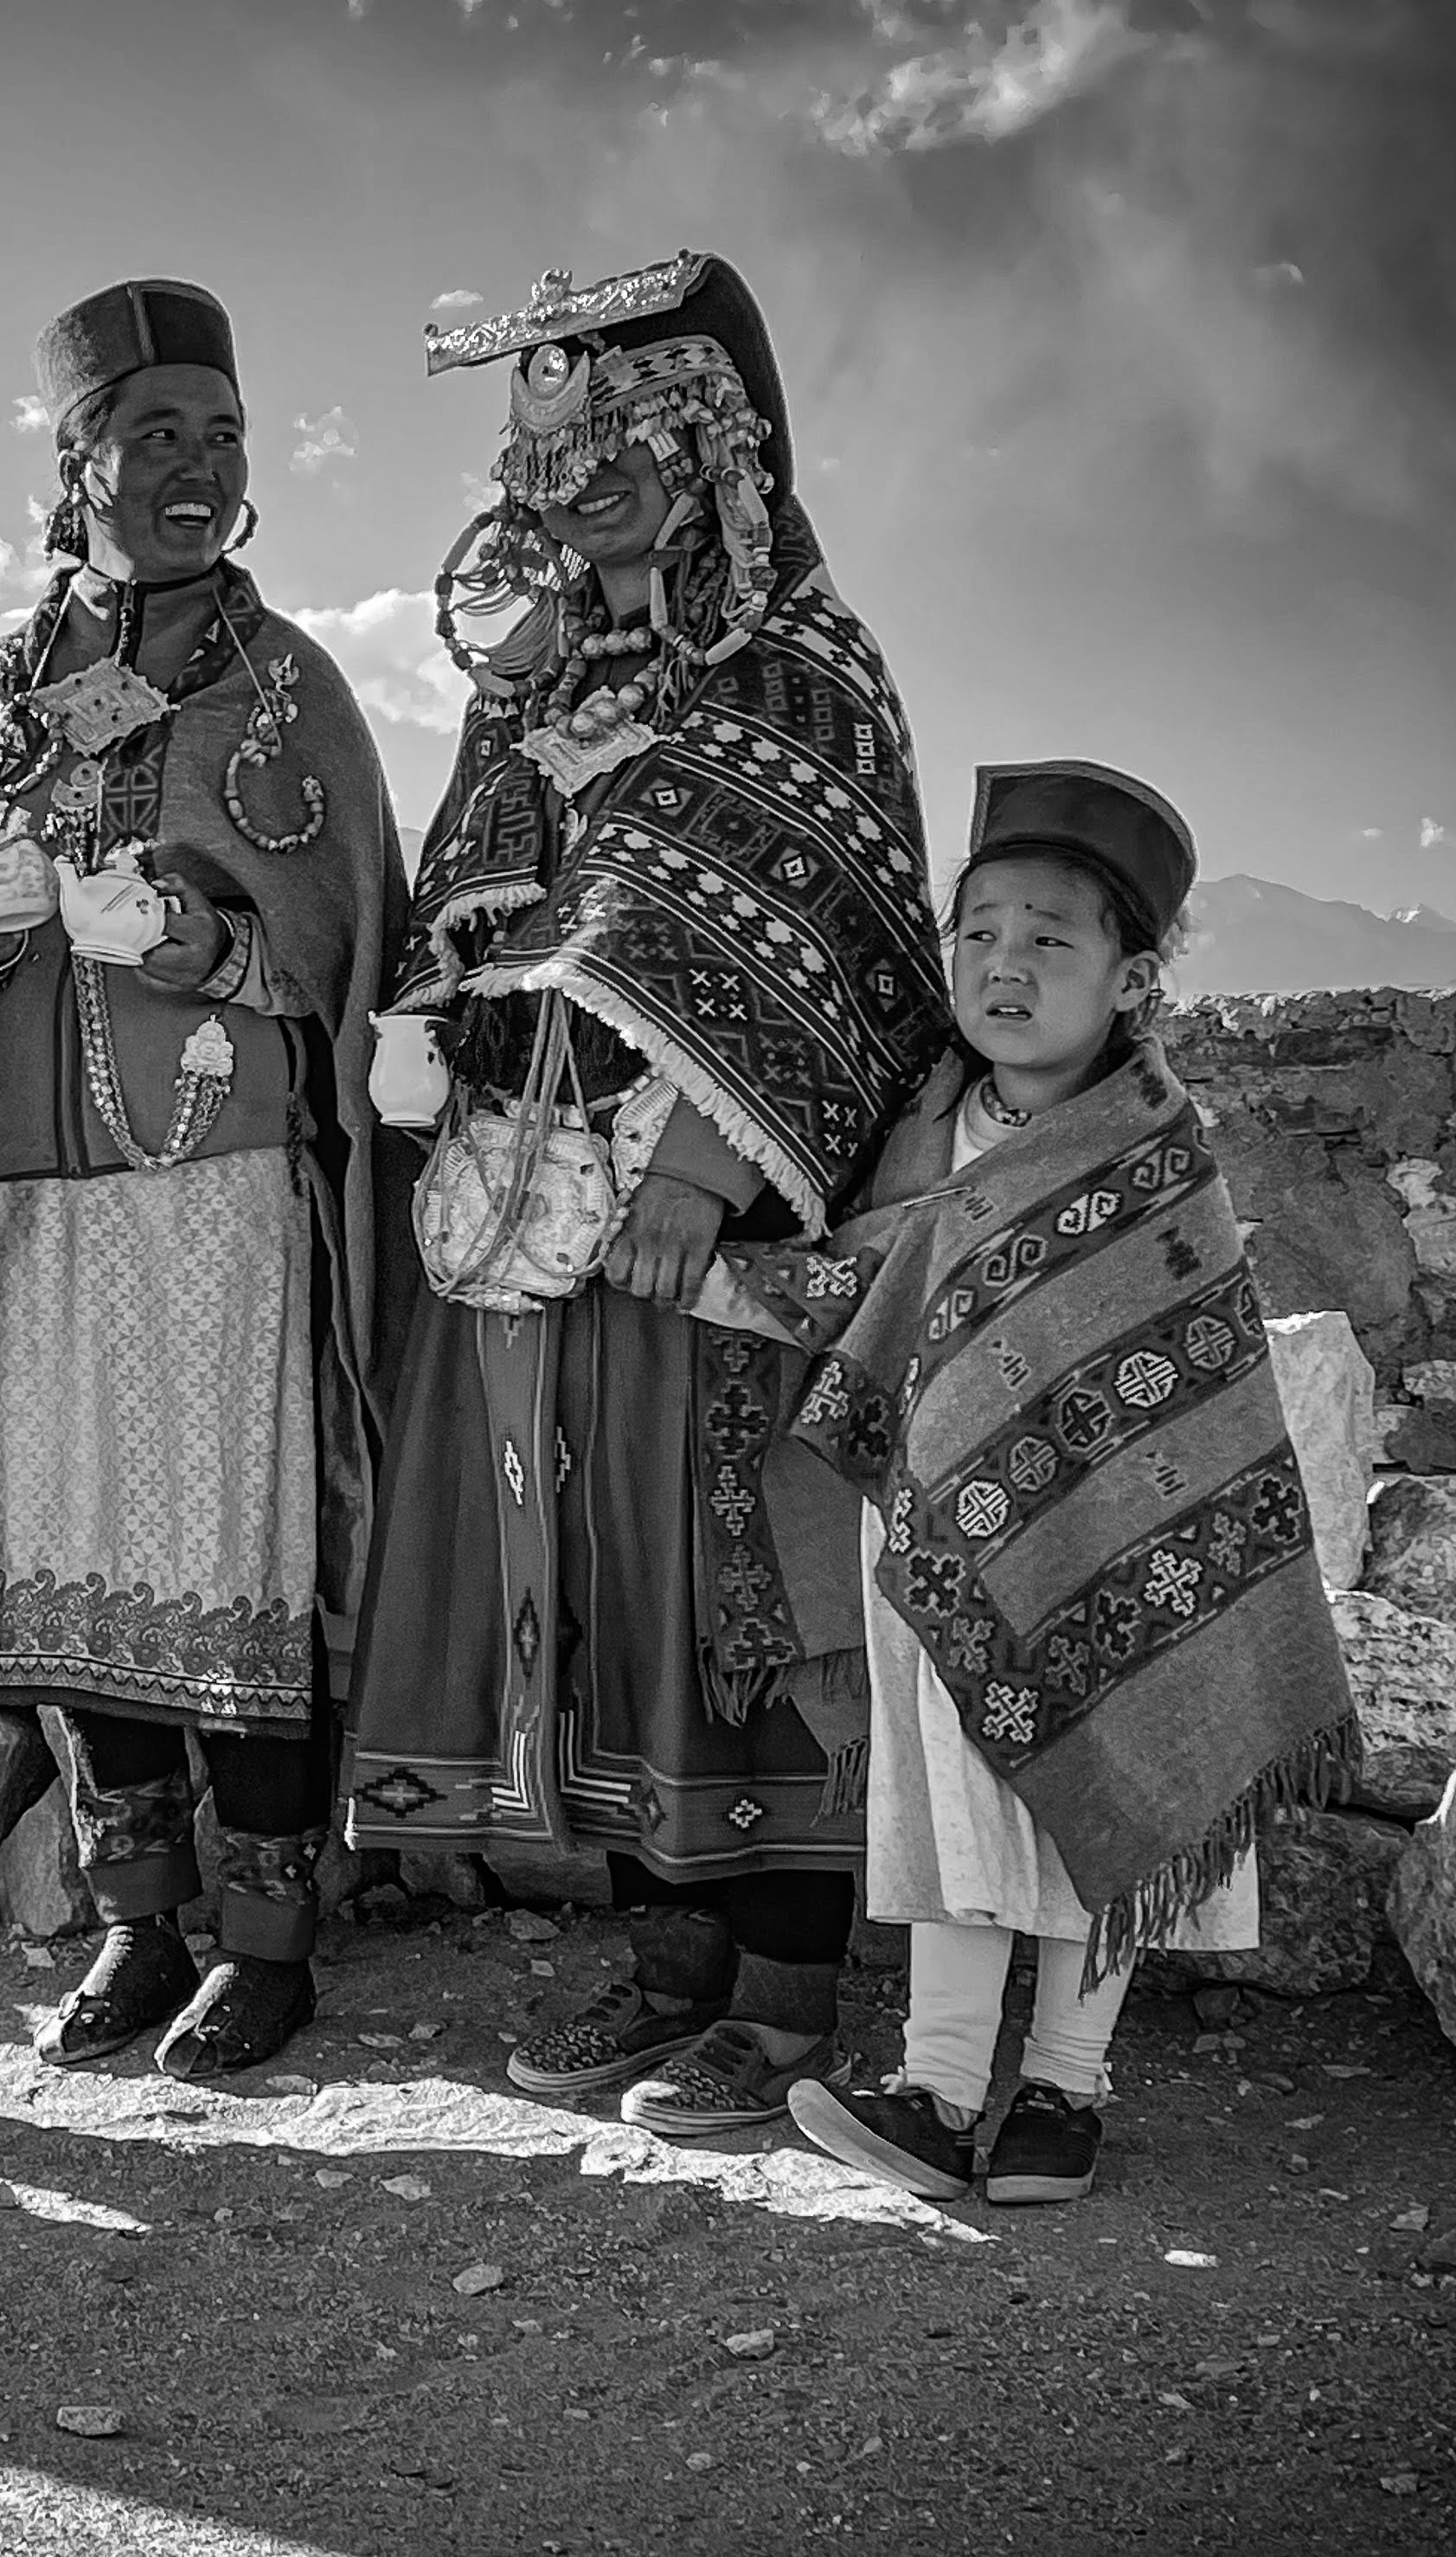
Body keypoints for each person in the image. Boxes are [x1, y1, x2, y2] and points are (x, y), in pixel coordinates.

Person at [340, 254, 952, 2137]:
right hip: (526, 1213)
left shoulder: (802, 663)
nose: (585, 475)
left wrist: (697, 1155)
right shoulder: (526, 686)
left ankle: (781, 1994)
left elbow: (835, 922)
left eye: (630, 434)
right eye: (554, 445)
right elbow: (478, 891)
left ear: (721, 448)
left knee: (726, 1580)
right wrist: (433, 1023)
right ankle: (670, 1963)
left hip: (711, 1214)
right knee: (585, 1578)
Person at [695, 763, 1359, 2202]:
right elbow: (863, 1295)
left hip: (1122, 1543)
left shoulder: (1158, 1155)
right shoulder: (924, 1130)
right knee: (955, 1793)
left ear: (1131, 980)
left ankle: (1064, 2090)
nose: (1005, 965)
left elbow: (1191, 1374)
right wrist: (694, 1273)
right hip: (945, 1534)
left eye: (1051, 939)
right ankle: (935, 2092)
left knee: (1113, 1759)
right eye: (980, 931)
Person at [0, 279, 405, 2078]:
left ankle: (267, 1937)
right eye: (152, 438)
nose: (193, 469)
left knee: (234, 1541)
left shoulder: (292, 687)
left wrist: (204, 943)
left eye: (221, 436)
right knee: (70, 1549)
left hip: (221, 1175)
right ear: (75, 466)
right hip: (29, 1179)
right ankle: (137, 1918)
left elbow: (349, 944)